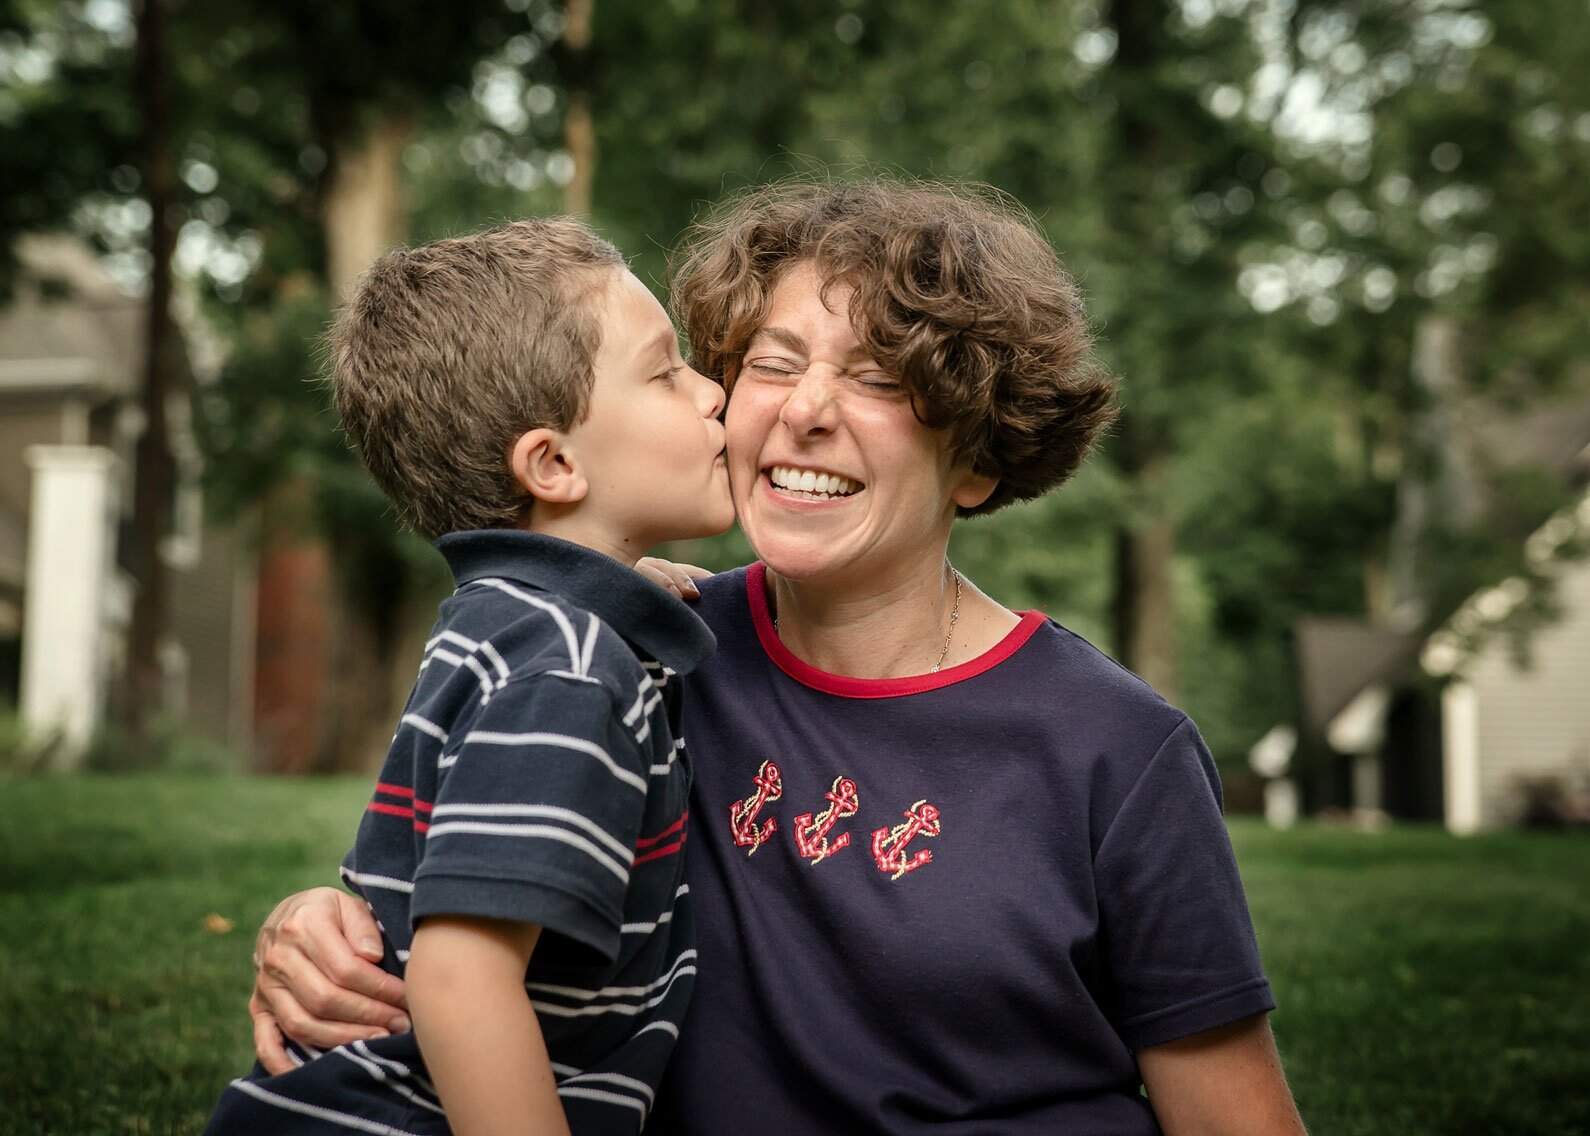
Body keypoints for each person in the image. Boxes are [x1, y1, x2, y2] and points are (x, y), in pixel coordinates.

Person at [246, 181, 1307, 1134]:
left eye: (880, 379)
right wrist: (320, 926)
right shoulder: (632, 663)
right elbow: (468, 867)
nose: (805, 410)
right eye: (773, 363)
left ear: (975, 463)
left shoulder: (1115, 749)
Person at [206, 218, 734, 1135]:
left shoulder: (503, 626)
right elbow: (462, 979)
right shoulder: (571, 671)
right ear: (555, 464)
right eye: (666, 372)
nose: (714, 391)